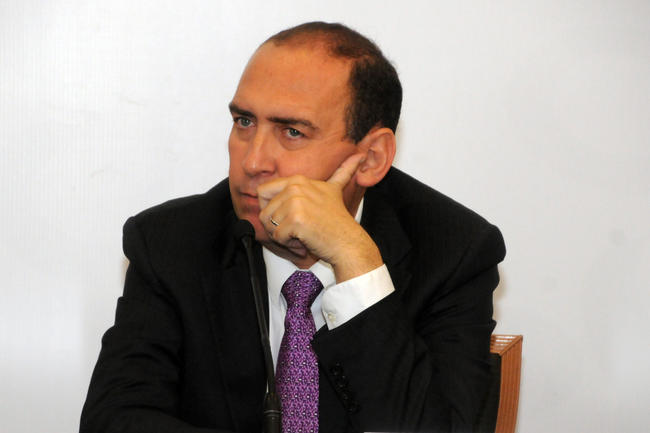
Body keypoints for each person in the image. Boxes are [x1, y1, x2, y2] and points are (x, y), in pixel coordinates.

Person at [80, 22, 505, 433]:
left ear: (371, 158)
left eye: (292, 131)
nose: (253, 162)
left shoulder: (452, 252)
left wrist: (356, 261)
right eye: (244, 122)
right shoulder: (170, 243)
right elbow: (114, 421)